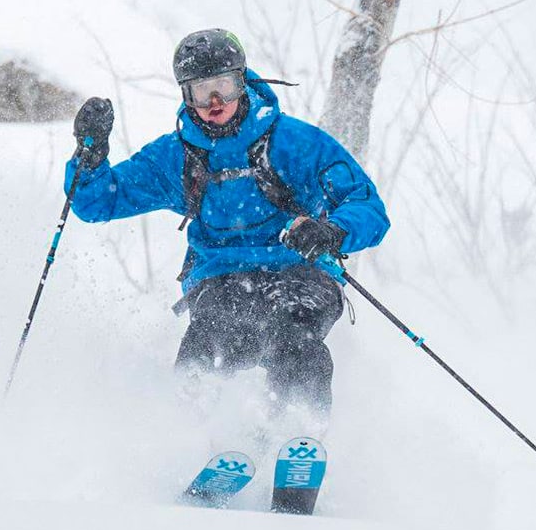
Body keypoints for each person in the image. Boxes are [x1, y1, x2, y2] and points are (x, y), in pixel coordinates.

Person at [63, 29, 389, 426]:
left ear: (243, 81)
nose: (215, 102)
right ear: (187, 96)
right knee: (209, 342)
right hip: (219, 275)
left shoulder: (294, 143)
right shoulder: (177, 156)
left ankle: (297, 430)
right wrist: (90, 157)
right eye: (202, 92)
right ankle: (198, 439)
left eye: (225, 87)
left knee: (291, 334)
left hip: (300, 267)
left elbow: (366, 205)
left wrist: (332, 231)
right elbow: (98, 202)